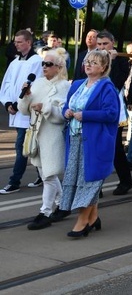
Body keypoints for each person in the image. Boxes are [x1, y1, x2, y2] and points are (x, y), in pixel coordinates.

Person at [61, 50, 120, 237]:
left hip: (95, 141)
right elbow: (66, 105)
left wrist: (86, 115)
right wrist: (67, 112)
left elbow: (112, 114)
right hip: (75, 138)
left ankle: (82, 222)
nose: (88, 65)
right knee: (78, 179)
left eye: (94, 63)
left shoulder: (106, 88)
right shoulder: (77, 84)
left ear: (103, 68)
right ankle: (93, 217)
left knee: (89, 180)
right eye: (87, 61)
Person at [18, 49, 71, 229]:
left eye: (49, 64)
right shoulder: (38, 83)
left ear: (59, 67)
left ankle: (45, 212)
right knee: (44, 172)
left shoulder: (65, 86)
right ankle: (63, 204)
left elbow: (63, 114)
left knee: (48, 175)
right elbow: (24, 110)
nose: (44, 67)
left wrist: (46, 107)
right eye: (43, 63)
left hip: (52, 135)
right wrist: (26, 97)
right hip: (36, 134)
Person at [0, 30, 44, 194]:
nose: (16, 44)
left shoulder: (37, 62)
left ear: (28, 42)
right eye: (15, 42)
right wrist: (8, 103)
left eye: (19, 42)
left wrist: (21, 104)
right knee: (32, 145)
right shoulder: (14, 62)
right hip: (15, 109)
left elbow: (37, 87)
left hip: (28, 112)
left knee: (22, 146)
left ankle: (14, 182)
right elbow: (7, 84)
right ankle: (42, 175)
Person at [96, 31, 132, 195]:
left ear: (112, 43)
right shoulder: (92, 58)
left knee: (114, 147)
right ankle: (96, 185)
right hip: (95, 107)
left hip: (113, 109)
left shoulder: (121, 60)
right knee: (96, 146)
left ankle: (126, 180)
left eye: (105, 44)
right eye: (99, 44)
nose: (102, 47)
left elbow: (116, 82)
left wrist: (109, 62)